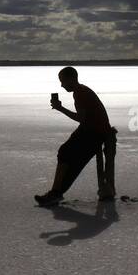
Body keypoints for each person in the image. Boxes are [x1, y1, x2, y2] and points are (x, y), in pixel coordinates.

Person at [35, 67, 117, 206]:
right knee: (68, 156)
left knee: (68, 155)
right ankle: (56, 192)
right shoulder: (82, 91)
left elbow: (81, 118)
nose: (61, 85)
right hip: (92, 130)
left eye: (62, 81)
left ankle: (56, 193)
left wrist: (60, 108)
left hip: (95, 133)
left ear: (71, 78)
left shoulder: (80, 93)